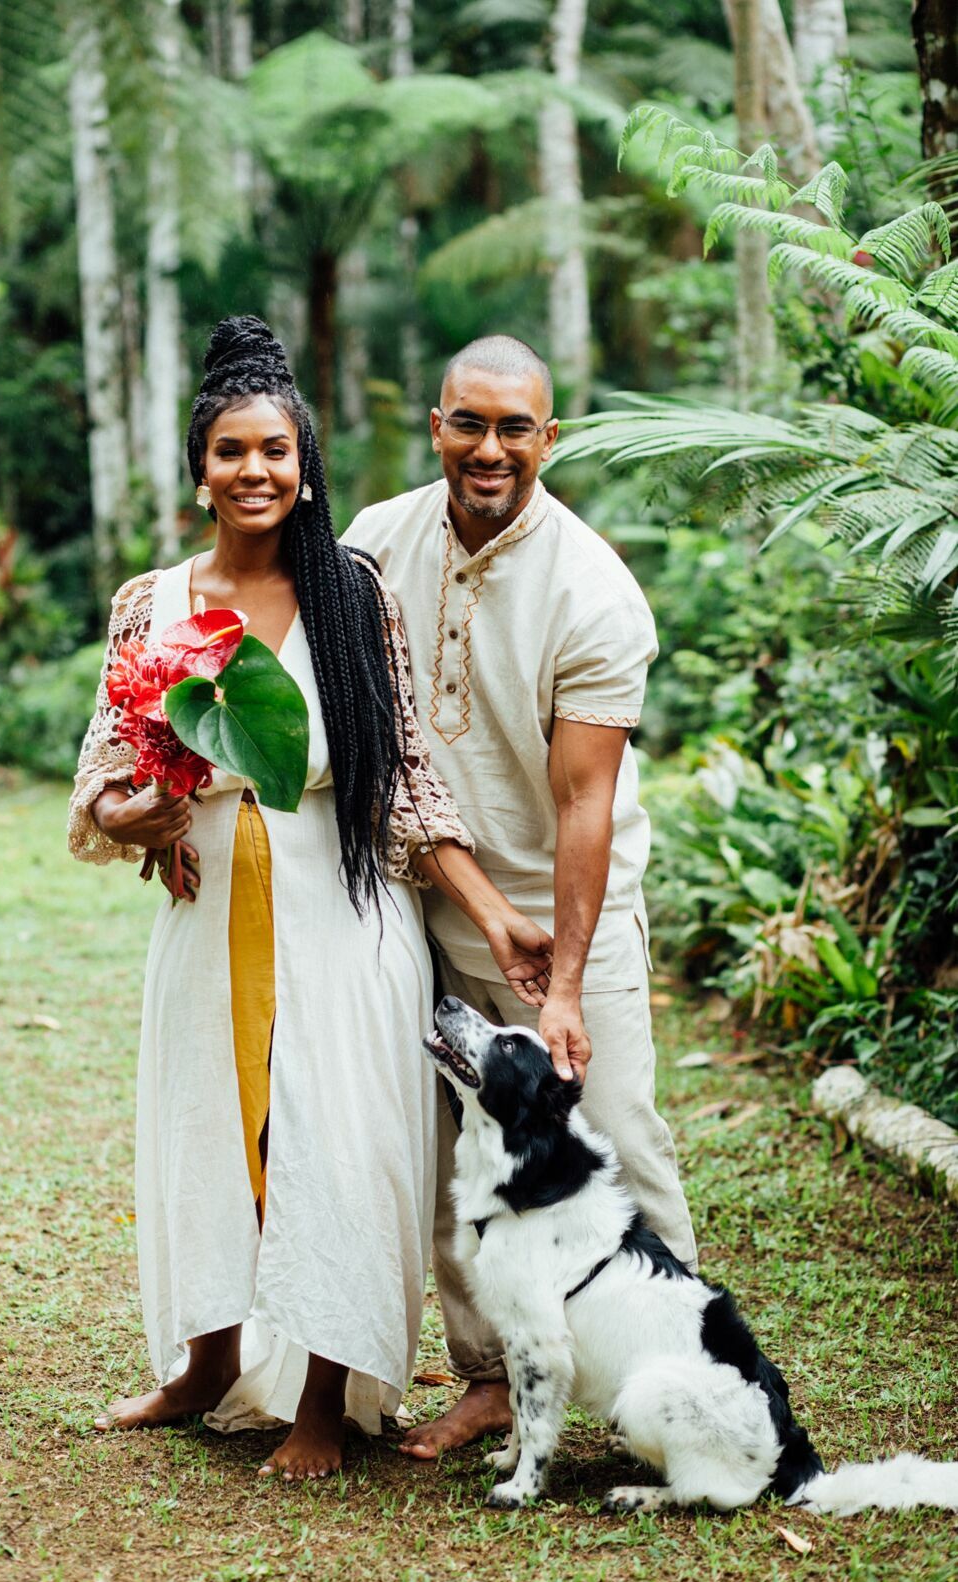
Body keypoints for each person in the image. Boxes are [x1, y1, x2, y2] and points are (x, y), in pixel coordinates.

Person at [68, 317, 552, 1481]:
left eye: (275, 450)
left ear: (304, 463)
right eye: (231, 451)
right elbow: (100, 771)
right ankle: (205, 1360)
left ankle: (324, 1398)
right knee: (203, 1132)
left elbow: (407, 781)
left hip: (337, 911)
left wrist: (491, 915)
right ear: (199, 471)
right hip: (205, 911)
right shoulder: (154, 603)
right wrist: (131, 814)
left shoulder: (350, 594)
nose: (255, 471)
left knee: (331, 1139)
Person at [345, 334, 698, 1460]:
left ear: (548, 437)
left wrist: (567, 985)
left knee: (617, 1134)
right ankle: (491, 1377)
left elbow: (584, 803)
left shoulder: (592, 590)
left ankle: (682, 1368)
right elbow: (369, 748)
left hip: (567, 907)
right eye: (467, 422)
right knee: (461, 1149)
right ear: (436, 423)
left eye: (513, 428)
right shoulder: (371, 548)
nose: (487, 448)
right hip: (428, 898)